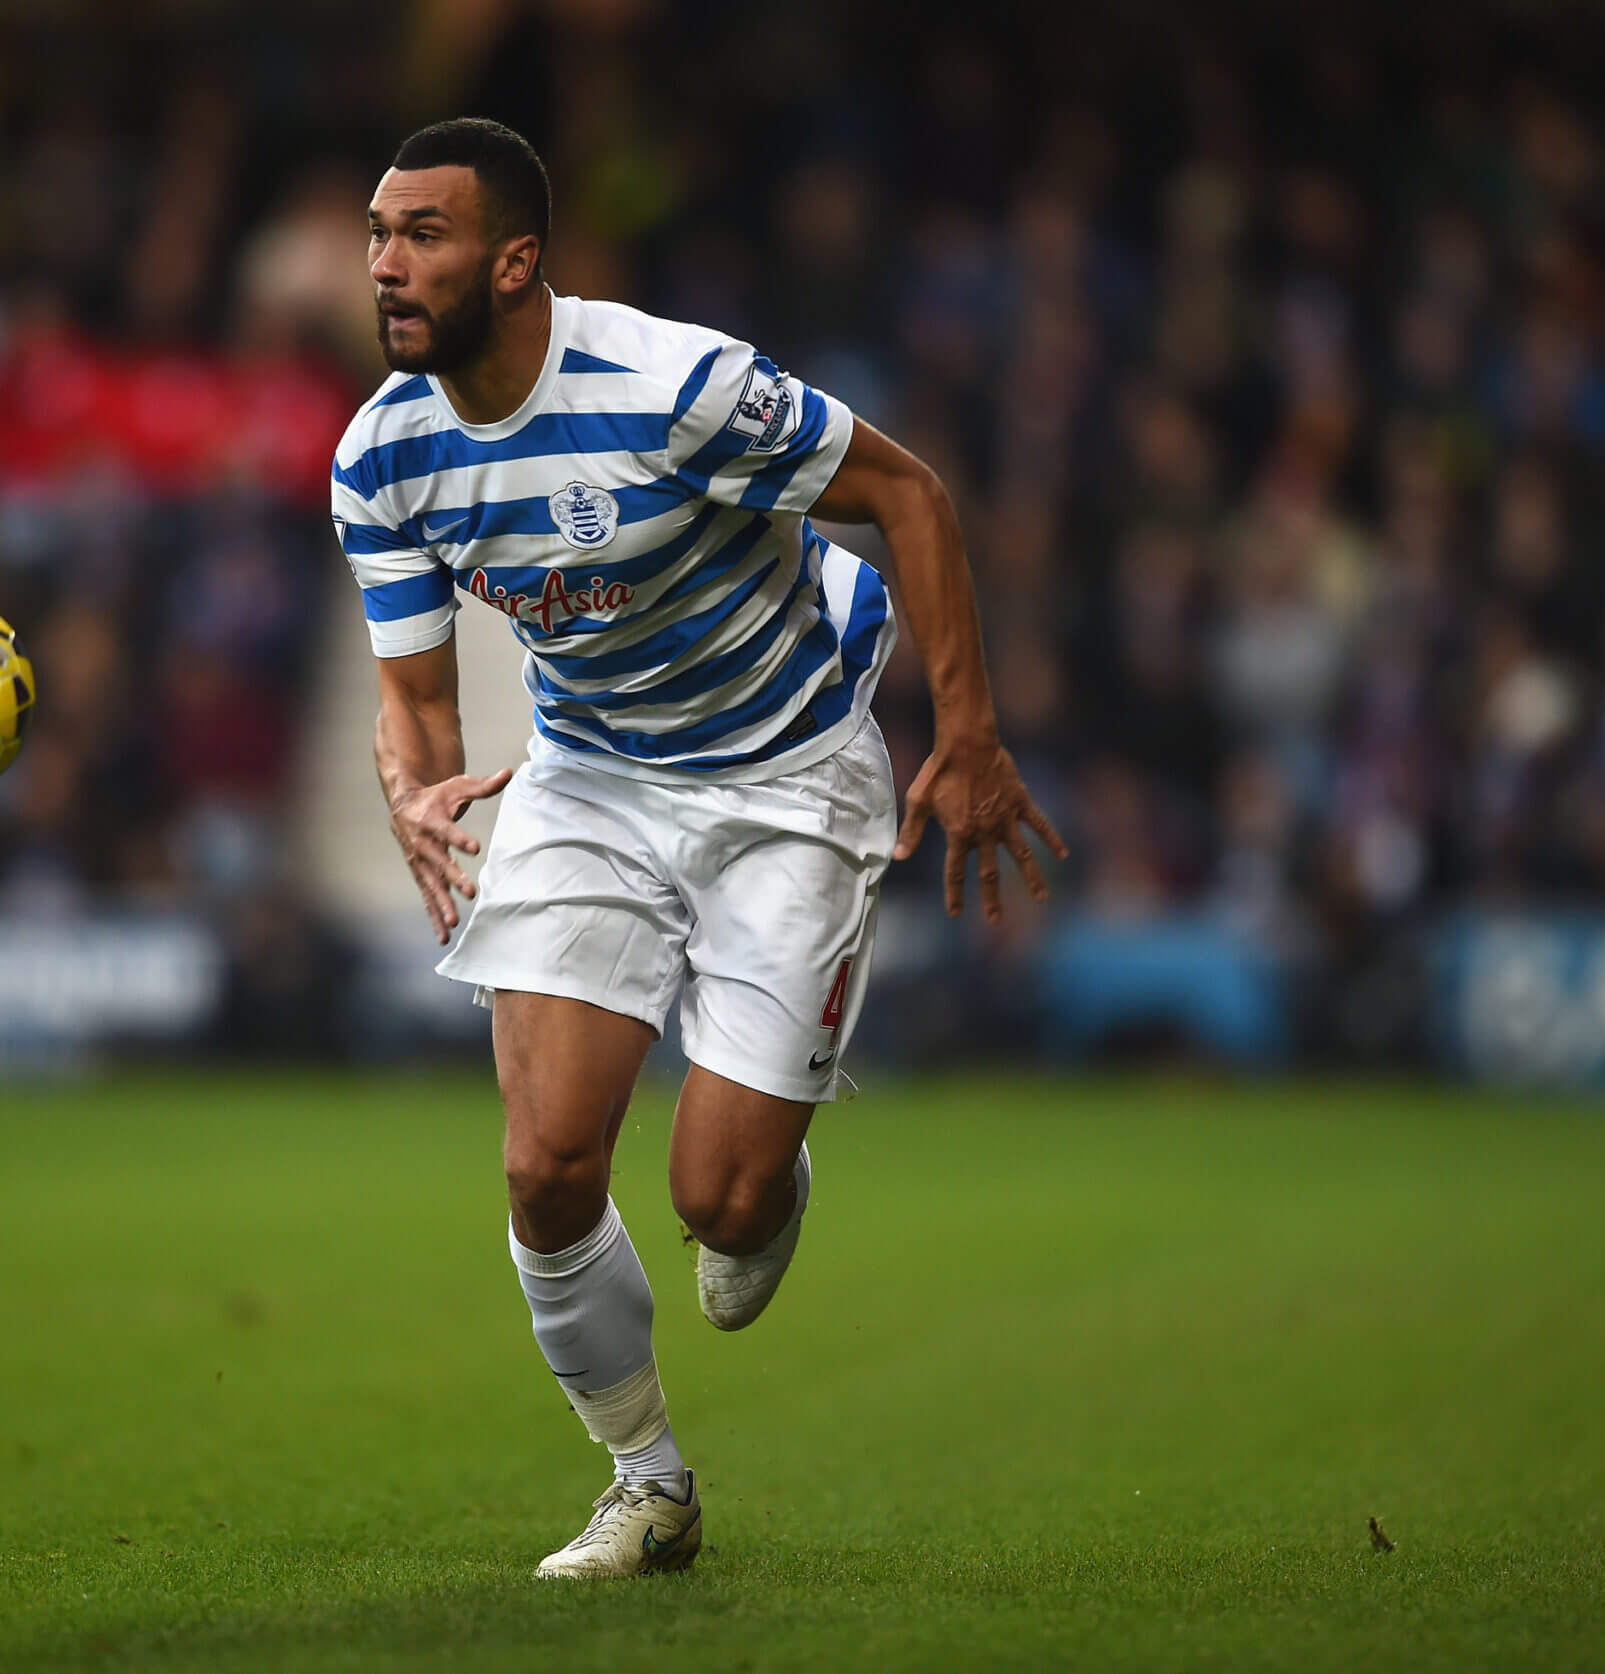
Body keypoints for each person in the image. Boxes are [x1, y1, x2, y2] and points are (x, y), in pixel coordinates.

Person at [330, 118, 1065, 1578]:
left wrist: (969, 733)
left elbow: (910, 494)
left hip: (787, 773)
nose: (385, 266)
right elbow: (412, 701)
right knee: (544, 1167)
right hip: (591, 774)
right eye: (375, 233)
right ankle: (646, 1482)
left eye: (423, 236)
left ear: (518, 261)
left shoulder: (678, 387)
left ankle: (765, 1167)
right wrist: (412, 787)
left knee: (716, 1210)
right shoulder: (382, 456)